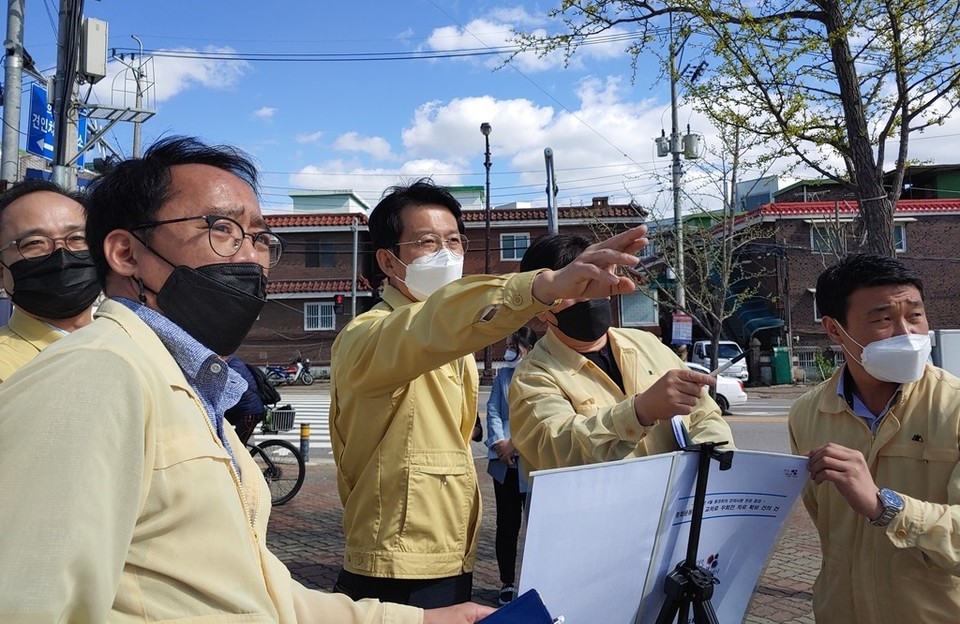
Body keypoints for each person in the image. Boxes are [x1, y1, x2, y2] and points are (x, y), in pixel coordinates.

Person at [0, 138, 492, 623]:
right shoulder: (94, 376)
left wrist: (420, 622)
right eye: (222, 228)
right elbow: (29, 604)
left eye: (259, 237)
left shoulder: (190, 387)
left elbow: (255, 594)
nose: (251, 257)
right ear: (126, 253)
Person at [330, 179, 648, 608]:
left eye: (454, 241)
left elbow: (448, 323)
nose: (446, 254)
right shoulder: (368, 335)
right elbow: (428, 328)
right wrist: (542, 287)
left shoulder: (453, 336)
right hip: (396, 556)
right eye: (427, 242)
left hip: (447, 547)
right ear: (389, 261)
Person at [788, 253, 960, 622]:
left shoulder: (955, 406)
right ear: (835, 330)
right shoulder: (807, 413)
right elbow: (828, 529)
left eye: (915, 316)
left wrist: (887, 507)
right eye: (883, 319)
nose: (908, 334)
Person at [508, 233, 734, 474]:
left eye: (592, 282)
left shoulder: (647, 344)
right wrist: (639, 412)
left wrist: (715, 466)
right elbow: (559, 450)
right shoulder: (532, 377)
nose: (587, 296)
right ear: (540, 308)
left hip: (680, 506)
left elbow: (704, 414)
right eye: (573, 286)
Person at [0, 179, 100, 381]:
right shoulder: (6, 372)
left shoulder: (138, 343)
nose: (61, 254)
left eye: (77, 238)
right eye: (34, 242)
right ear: (1, 273)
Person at [485, 326, 539, 605]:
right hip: (505, 466)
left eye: (512, 346)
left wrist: (515, 443)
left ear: (527, 349)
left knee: (537, 525)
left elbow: (540, 417)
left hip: (533, 464)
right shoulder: (502, 376)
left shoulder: (541, 376)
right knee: (507, 525)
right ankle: (507, 581)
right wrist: (499, 444)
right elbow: (493, 410)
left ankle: (536, 579)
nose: (507, 350)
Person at [225, 354, 268, 445]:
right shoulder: (233, 362)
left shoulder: (233, 367)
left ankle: (239, 458)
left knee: (238, 447)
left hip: (250, 412)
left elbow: (225, 388)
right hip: (242, 410)